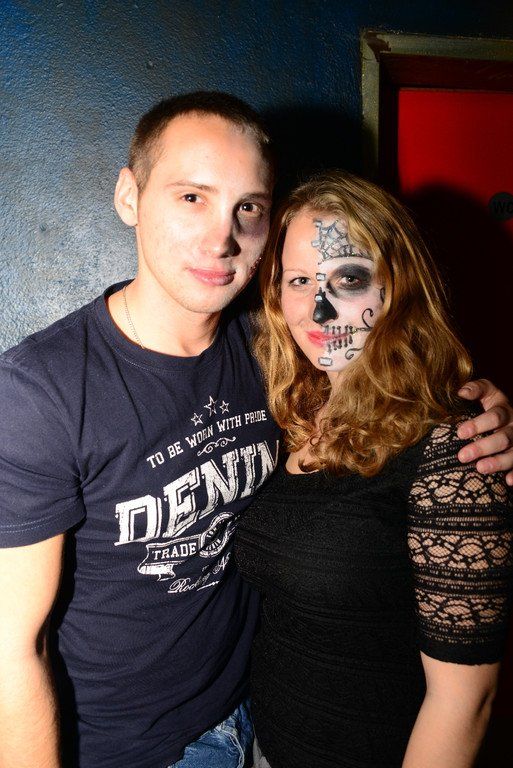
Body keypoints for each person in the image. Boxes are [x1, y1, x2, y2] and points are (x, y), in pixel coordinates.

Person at [0, 94, 511, 768]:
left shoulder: (270, 357)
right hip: (135, 749)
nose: (222, 238)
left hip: (252, 717)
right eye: (192, 197)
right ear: (129, 196)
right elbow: (13, 650)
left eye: (247, 207)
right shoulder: (40, 391)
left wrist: (480, 409)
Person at [234, 171, 513, 768]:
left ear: (398, 288)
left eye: (349, 279)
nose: (319, 307)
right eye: (300, 280)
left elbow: (465, 703)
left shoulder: (456, 446)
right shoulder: (292, 412)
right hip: (263, 747)